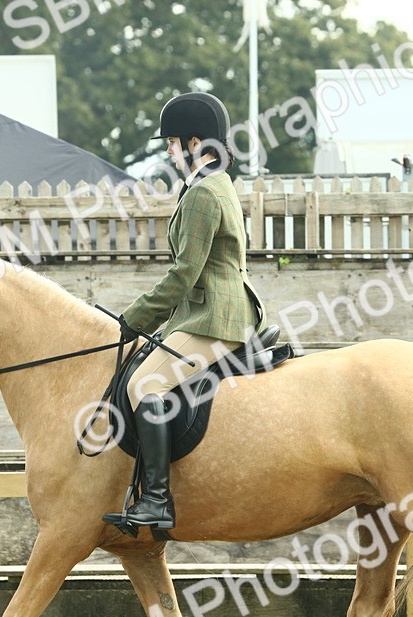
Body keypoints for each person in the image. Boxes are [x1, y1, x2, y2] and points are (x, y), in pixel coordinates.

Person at [105, 91, 266, 532]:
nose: (169, 152)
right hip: (215, 308)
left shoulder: (202, 194)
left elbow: (184, 274)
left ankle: (156, 499)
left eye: (172, 143)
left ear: (194, 143)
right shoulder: (215, 184)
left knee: (143, 385)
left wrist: (133, 319)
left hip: (216, 316)